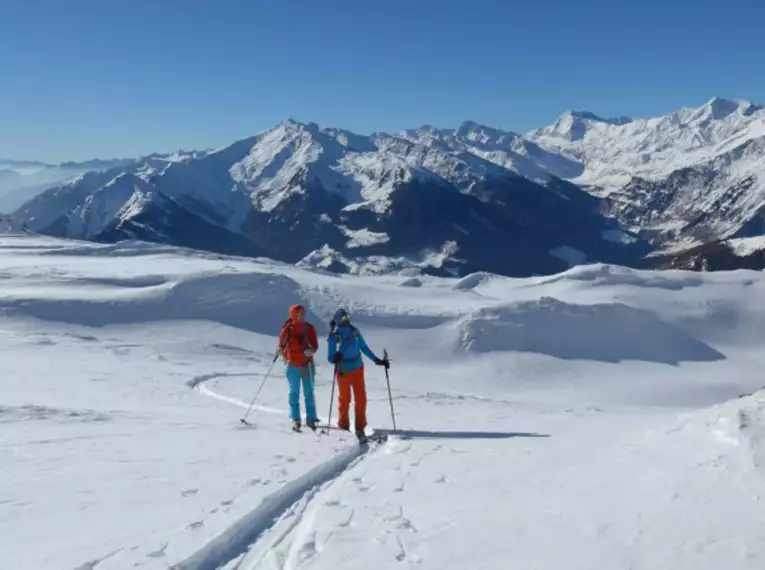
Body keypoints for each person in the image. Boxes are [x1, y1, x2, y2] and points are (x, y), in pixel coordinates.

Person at [327, 308, 389, 439]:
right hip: (343, 370)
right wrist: (337, 356)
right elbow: (330, 357)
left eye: (348, 317)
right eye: (344, 318)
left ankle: (360, 425)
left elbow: (364, 347)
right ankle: (343, 424)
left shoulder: (354, 331)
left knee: (361, 398)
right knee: (345, 398)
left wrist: (376, 360)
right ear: (338, 320)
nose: (347, 320)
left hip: (358, 369)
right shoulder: (335, 335)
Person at [278, 304, 320, 431]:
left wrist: (312, 350)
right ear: (293, 315)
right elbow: (281, 344)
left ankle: (311, 418)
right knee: (293, 393)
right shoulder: (288, 330)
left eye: (303, 313)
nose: (302, 316)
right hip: (293, 365)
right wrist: (280, 349)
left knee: (309, 392)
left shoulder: (309, 328)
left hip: (307, 365)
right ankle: (295, 419)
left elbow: (315, 345)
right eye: (299, 314)